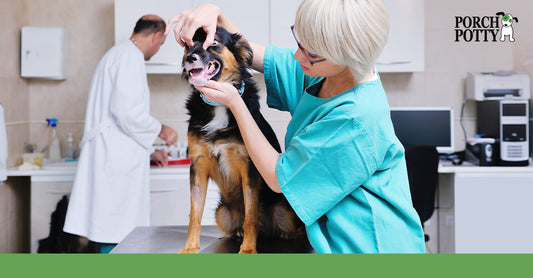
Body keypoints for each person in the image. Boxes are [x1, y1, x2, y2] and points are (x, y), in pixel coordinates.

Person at [165, 0, 425, 253]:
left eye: (310, 50)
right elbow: (246, 51)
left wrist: (236, 103)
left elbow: (278, 178)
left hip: (370, 248)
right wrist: (215, 13)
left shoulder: (354, 118)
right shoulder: (324, 72)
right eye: (299, 42)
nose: (298, 55)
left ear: (346, 53)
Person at [64, 14, 178, 253]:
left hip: (113, 156)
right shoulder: (129, 57)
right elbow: (127, 112)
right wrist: (161, 129)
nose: (158, 50)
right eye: (162, 44)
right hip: (114, 163)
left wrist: (150, 150)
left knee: (113, 227)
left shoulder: (119, 54)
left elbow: (120, 119)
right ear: (157, 36)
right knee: (116, 230)